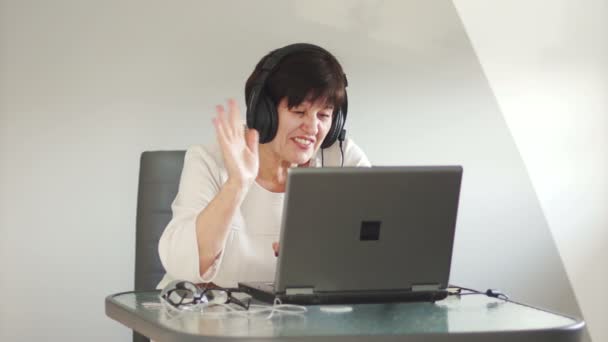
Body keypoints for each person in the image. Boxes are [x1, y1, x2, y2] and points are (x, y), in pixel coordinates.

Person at [157, 43, 370, 289]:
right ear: (263, 112)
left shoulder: (341, 158)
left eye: (323, 116)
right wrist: (237, 184)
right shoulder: (209, 159)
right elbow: (182, 266)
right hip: (209, 315)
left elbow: (380, 244)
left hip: (299, 319)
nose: (312, 129)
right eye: (299, 111)